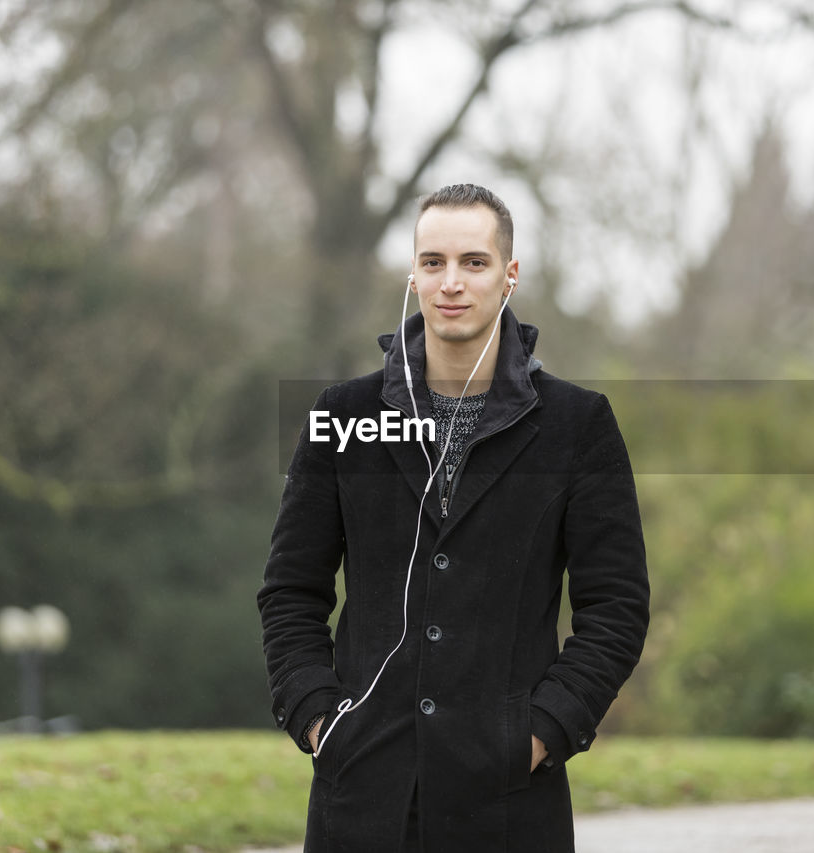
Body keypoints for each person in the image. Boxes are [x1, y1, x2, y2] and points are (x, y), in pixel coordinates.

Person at [258, 183, 650, 853]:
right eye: (433, 262)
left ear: (509, 275)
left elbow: (615, 608)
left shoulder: (577, 425)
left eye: (474, 261)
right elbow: (290, 590)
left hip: (508, 806)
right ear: (412, 275)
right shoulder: (342, 415)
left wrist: (540, 733)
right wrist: (318, 717)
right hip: (361, 801)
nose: (452, 282)